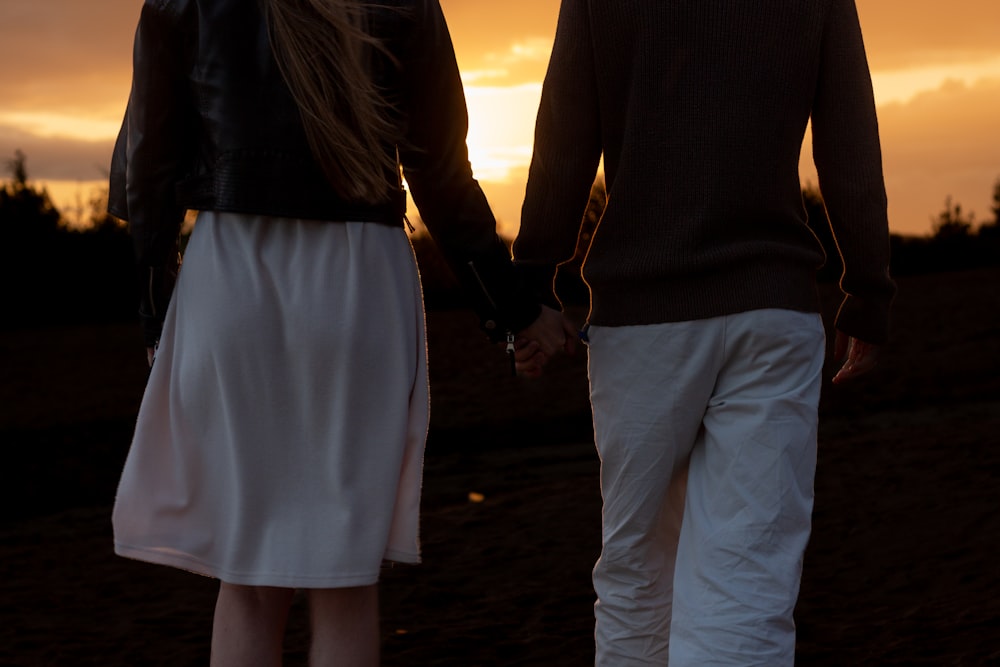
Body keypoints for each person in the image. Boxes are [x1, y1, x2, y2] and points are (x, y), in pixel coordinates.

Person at [107, 1, 563, 664]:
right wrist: (517, 312)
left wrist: (155, 312)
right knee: (347, 581)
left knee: (249, 576)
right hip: (359, 284)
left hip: (232, 276)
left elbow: (148, 166)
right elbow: (442, 175)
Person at [512, 0, 895, 664]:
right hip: (772, 314)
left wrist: (534, 283)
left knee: (638, 574)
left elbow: (565, 130)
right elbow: (849, 132)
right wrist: (866, 286)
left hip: (643, 327)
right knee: (748, 580)